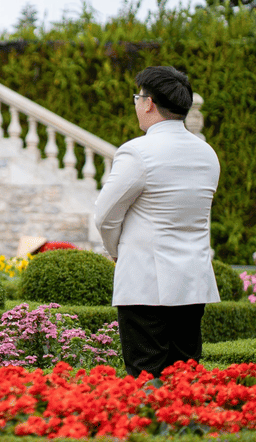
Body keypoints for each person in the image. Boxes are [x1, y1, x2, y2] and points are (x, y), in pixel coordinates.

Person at [94, 66, 221, 379]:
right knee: (185, 378)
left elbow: (105, 215)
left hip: (145, 282)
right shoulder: (207, 154)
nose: (137, 104)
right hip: (192, 282)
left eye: (137, 98)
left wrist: (117, 252)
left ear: (148, 103)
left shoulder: (137, 152)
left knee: (145, 380)